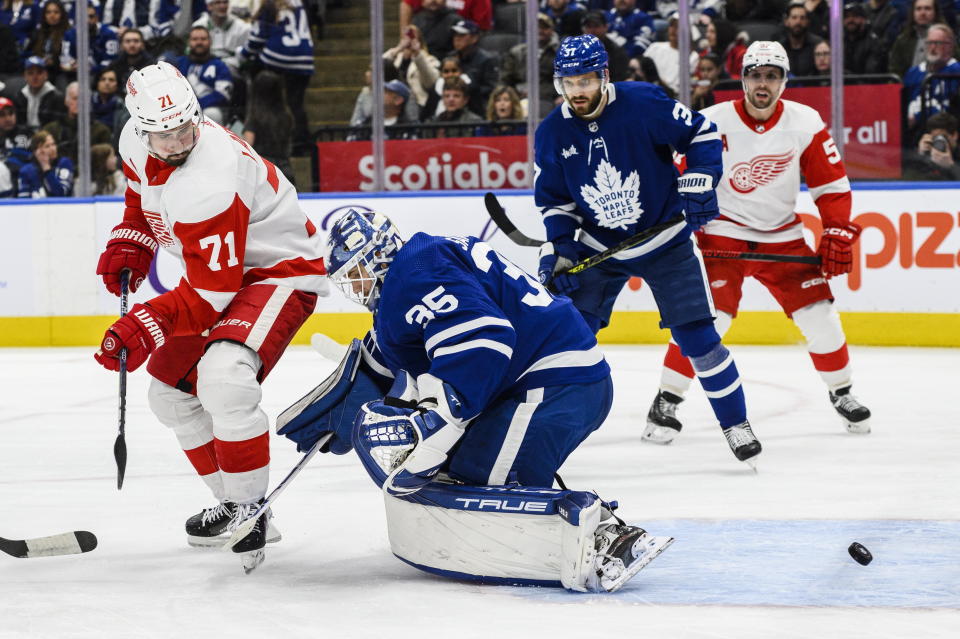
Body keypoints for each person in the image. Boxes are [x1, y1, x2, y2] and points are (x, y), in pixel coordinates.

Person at [279, 208, 674, 592]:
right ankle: (559, 514)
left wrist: (437, 419)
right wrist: (350, 404)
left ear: (379, 253)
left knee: (478, 482)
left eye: (357, 273)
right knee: (458, 471)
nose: (355, 287)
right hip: (545, 381)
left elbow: (483, 338)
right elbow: (399, 360)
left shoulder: (412, 273)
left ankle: (605, 539)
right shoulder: (419, 266)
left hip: (556, 383)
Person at [92, 61, 328, 572]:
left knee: (223, 377)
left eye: (185, 128)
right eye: (165, 134)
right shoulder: (138, 140)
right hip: (224, 274)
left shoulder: (212, 178)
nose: (178, 143)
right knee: (170, 396)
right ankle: (238, 506)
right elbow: (140, 191)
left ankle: (250, 507)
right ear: (139, 126)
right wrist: (132, 236)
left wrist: (145, 322)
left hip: (277, 272)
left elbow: (211, 292)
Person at [534, 35, 760, 464]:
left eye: (585, 80)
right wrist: (562, 247)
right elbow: (556, 201)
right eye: (568, 82)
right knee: (568, 338)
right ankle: (538, 433)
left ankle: (735, 423)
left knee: (699, 339)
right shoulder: (551, 133)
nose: (577, 91)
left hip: (665, 241)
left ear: (603, 76)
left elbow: (701, 133)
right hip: (600, 247)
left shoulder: (643, 102)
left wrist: (701, 177)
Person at [647, 41, 871, 444]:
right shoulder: (710, 121)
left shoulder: (806, 122)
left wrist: (836, 227)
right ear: (743, 79)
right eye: (755, 75)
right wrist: (677, 216)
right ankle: (667, 398)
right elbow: (678, 176)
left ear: (785, 80)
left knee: (820, 315)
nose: (762, 83)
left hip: (782, 236)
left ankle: (843, 392)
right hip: (722, 234)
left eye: (771, 75)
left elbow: (831, 185)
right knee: (710, 320)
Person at [241, 0, 315, 150]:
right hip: (305, 58)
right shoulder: (298, 3)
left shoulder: (269, 4)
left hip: (278, 58)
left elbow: (258, 37)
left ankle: (265, 139)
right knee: (296, 104)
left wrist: (242, 55)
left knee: (269, 101)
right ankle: (302, 142)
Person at [903, 22, 960, 137]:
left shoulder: (956, 72)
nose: (932, 47)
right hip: (913, 134)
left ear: (950, 46)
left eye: (937, 43)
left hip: (945, 133)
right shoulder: (913, 72)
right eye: (929, 43)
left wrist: (918, 116)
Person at [242, 70, 296, 185]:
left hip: (263, 172)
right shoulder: (286, 115)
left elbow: (247, 146)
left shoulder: (255, 116)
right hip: (285, 170)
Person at [172, 26, 234, 124]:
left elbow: (223, 95)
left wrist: (195, 106)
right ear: (189, 42)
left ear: (210, 42)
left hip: (210, 110)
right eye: (195, 39)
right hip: (181, 109)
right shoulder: (178, 63)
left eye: (203, 39)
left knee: (212, 113)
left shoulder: (220, 66)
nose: (199, 42)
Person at [42, 81, 113, 166]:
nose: (80, 102)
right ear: (66, 101)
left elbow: (105, 163)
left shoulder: (101, 131)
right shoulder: (51, 130)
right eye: (75, 98)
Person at [639, 12, 698, 92]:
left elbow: (677, 88)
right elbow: (640, 68)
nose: (673, 30)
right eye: (671, 25)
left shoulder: (692, 56)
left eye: (678, 26)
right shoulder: (655, 46)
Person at [449, 18, 498, 116]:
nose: (457, 38)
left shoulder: (486, 60)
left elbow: (491, 88)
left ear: (474, 38)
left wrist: (470, 88)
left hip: (477, 106)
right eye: (455, 35)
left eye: (462, 35)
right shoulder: (450, 59)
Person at [192, 0, 250, 77]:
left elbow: (244, 58)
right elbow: (191, 52)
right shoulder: (199, 25)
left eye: (225, 2)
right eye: (218, 3)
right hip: (202, 66)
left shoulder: (242, 28)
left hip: (231, 70)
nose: (222, 6)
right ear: (209, 6)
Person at [16, 129, 73, 197]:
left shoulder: (64, 163)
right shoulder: (26, 171)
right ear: (36, 152)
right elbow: (23, 201)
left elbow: (61, 194)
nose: (53, 149)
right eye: (47, 146)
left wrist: (46, 168)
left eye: (53, 144)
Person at [13, 56, 65, 130]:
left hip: (47, 136)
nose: (35, 77)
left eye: (39, 72)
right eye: (30, 73)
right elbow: (19, 123)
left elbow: (57, 125)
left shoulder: (56, 97)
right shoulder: (20, 96)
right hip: (25, 135)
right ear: (25, 76)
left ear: (46, 75)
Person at [903, 111, 960, 179]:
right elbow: (909, 181)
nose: (940, 141)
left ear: (955, 135)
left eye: (943, 137)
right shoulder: (928, 155)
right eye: (936, 137)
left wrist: (951, 165)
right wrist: (921, 155)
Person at [777, 1, 823, 77]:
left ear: (807, 22)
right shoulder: (779, 48)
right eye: (794, 17)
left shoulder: (817, 46)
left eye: (802, 18)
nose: (798, 22)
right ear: (786, 21)